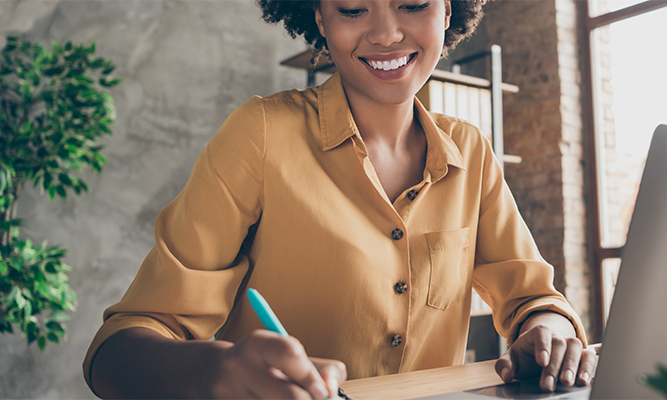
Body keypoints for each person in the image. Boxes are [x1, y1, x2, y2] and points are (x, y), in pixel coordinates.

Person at [82, 0, 597, 398]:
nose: (386, 33)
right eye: (353, 9)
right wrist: (214, 372)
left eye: (414, 3)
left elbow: (534, 298)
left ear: (449, 9)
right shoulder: (261, 134)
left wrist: (546, 331)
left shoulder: (470, 151)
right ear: (321, 19)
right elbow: (116, 352)